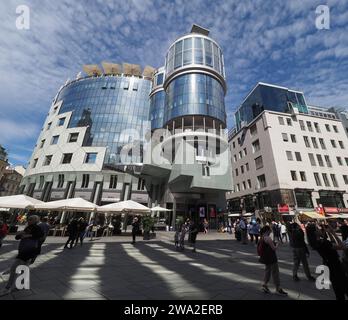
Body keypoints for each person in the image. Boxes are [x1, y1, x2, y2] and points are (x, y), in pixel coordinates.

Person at [0, 215, 44, 296]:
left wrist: (28, 235)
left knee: (14, 269)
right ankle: (23, 283)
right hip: (24, 250)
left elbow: (41, 235)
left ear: (35, 220)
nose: (28, 220)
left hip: (28, 251)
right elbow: (17, 237)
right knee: (24, 267)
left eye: (31, 219)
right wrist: (21, 234)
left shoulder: (36, 227)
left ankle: (7, 288)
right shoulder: (28, 227)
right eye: (28, 219)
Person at [306, 222, 348, 300]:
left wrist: (330, 234)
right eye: (318, 228)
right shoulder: (324, 243)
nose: (320, 229)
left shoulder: (318, 243)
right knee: (344, 288)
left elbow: (332, 243)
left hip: (330, 268)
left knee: (338, 292)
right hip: (336, 268)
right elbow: (343, 247)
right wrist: (333, 233)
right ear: (315, 232)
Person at [257, 225, 288, 295]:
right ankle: (278, 288)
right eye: (270, 230)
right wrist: (277, 244)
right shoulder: (268, 238)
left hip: (265, 258)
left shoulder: (261, 237)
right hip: (272, 258)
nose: (270, 231)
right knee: (275, 273)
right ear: (267, 231)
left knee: (267, 271)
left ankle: (264, 285)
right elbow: (274, 248)